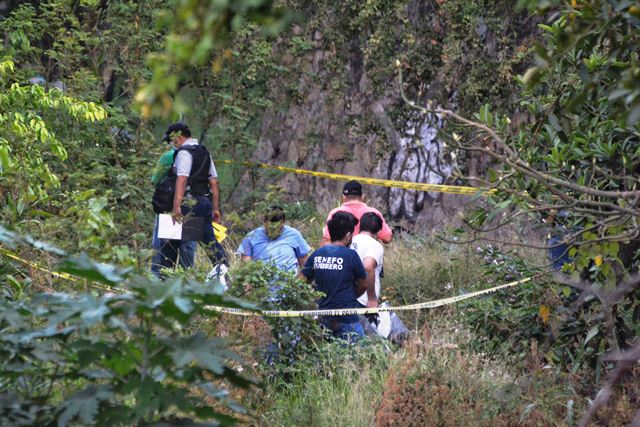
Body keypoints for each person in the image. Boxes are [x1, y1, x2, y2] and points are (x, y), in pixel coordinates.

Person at [159, 122, 225, 272]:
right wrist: (215, 208)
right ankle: (223, 270)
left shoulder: (184, 152)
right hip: (202, 202)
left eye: (172, 140)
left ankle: (174, 281)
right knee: (209, 241)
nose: (172, 144)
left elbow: (181, 178)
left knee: (172, 246)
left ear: (179, 137)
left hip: (186, 204)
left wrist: (176, 207)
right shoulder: (204, 152)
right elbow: (213, 181)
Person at [302, 211, 367, 341]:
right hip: (347, 317)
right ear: (348, 236)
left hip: (324, 316)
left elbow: (302, 281)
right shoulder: (351, 255)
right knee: (360, 353)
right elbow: (364, 284)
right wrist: (353, 296)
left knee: (327, 355)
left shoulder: (317, 254)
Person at [150, 137, 196, 277]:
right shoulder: (202, 155)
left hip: (171, 209)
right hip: (193, 208)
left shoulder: (169, 156)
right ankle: (185, 288)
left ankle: (159, 286)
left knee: (163, 254)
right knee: (187, 255)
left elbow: (155, 180)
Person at [238, 206, 311, 274]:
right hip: (260, 285)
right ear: (264, 222)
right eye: (270, 228)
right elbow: (245, 268)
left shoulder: (294, 235)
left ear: (283, 222)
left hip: (289, 284)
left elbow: (305, 266)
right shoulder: (251, 237)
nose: (274, 232)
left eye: (278, 228)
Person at [321, 180, 393, 246]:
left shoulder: (335, 213)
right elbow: (388, 238)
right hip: (367, 256)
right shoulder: (373, 212)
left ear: (343, 197)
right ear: (362, 197)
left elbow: (325, 242)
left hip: (343, 257)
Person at [351, 212, 384, 309]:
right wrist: (372, 299)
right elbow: (368, 267)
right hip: (363, 301)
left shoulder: (349, 240)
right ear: (378, 231)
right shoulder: (374, 245)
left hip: (347, 297)